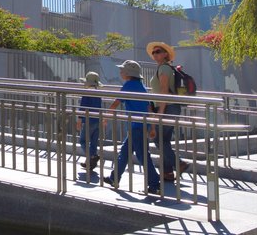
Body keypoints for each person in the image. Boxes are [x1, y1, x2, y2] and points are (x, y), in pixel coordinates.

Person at [104, 60, 161, 194]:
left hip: (136, 126)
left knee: (142, 155)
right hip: (142, 125)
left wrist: (105, 117)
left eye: (122, 70)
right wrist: (152, 127)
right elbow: (149, 108)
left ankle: (155, 184)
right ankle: (114, 178)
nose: (120, 72)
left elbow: (116, 103)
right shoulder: (142, 87)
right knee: (124, 152)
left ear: (128, 73)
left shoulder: (128, 86)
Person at [146, 41, 190, 181]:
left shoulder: (164, 69)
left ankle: (179, 164)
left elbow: (164, 90)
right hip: (171, 107)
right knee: (164, 140)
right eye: (153, 52)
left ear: (165, 54)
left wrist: (160, 112)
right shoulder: (164, 68)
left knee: (158, 139)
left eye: (158, 51)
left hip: (167, 107)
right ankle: (167, 173)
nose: (155, 54)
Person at [77, 71, 104, 170]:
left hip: (88, 120)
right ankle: (90, 163)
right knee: (93, 141)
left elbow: (82, 107)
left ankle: (92, 156)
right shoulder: (98, 93)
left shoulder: (87, 93)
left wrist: (79, 120)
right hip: (97, 120)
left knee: (83, 141)